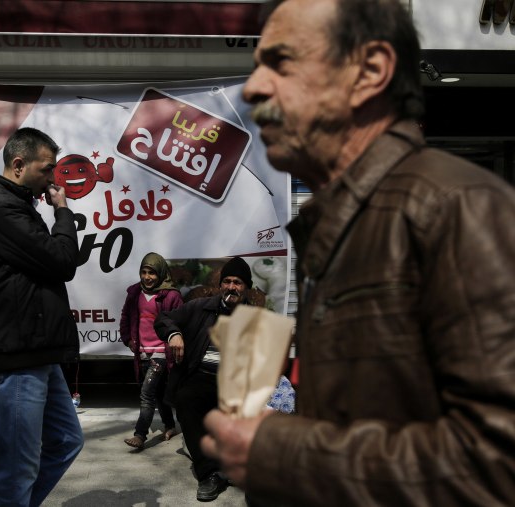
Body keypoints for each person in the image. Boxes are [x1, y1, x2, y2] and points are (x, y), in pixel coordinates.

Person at [200, 0, 515, 505]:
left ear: (369, 71)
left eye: (281, 63)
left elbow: (498, 464)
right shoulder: (341, 220)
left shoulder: (460, 210)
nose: (254, 87)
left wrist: (282, 452)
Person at [0, 127, 84, 507]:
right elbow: (62, 261)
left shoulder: (17, 206)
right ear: (18, 165)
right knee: (18, 468)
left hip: (38, 353)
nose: (52, 179)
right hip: (18, 360)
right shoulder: (1, 208)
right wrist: (63, 211)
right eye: (47, 170)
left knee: (66, 441)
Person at [155, 256, 290, 502]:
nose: (231, 287)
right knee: (187, 399)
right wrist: (174, 334)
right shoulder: (201, 307)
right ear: (220, 285)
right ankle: (208, 474)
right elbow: (164, 319)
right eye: (227, 281)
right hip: (202, 375)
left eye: (237, 282)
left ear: (246, 287)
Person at [120, 252, 183, 450]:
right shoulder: (134, 293)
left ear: (162, 274)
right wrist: (128, 339)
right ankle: (170, 425)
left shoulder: (171, 296)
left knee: (146, 393)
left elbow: (181, 321)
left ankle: (140, 434)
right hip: (142, 351)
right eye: (144, 272)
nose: (147, 277)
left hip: (161, 353)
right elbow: (125, 316)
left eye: (152, 273)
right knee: (158, 392)